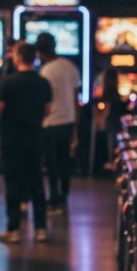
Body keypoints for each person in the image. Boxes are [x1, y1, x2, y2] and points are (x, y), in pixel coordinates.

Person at [0, 41, 52, 243]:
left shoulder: (7, 82)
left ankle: (14, 229)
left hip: (12, 138)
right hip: (35, 137)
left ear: (17, 57)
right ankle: (41, 228)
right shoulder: (42, 82)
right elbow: (47, 110)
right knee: (36, 183)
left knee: (13, 184)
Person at [37, 32, 80, 214]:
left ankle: (54, 200)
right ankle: (63, 198)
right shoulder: (70, 66)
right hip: (68, 120)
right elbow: (76, 96)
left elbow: (42, 101)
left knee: (52, 164)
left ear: (40, 52)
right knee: (65, 162)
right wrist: (76, 124)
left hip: (50, 122)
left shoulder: (45, 72)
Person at [99, 68, 130, 171]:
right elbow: (113, 106)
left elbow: (107, 108)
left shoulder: (108, 90)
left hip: (112, 120)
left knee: (112, 144)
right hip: (115, 120)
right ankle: (115, 165)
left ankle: (114, 165)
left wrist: (102, 120)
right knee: (115, 144)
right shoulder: (112, 90)